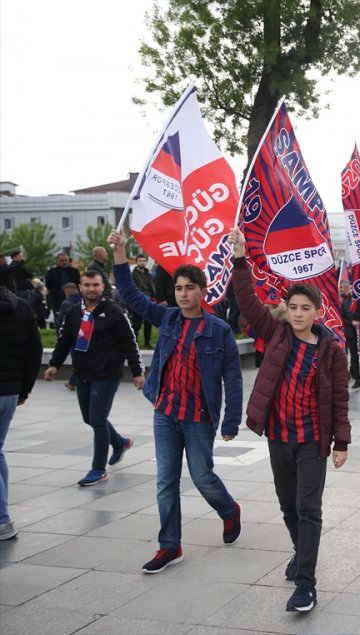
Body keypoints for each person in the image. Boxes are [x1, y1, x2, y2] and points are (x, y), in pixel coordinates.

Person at [108, 229, 243, 574]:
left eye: (190, 288)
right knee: (165, 481)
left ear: (202, 291)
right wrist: (120, 253)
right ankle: (170, 545)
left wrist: (231, 421)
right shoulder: (167, 318)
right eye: (179, 288)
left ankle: (229, 510)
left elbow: (233, 377)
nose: (183, 293)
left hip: (199, 417)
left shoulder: (218, 330)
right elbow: (130, 294)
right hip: (165, 413)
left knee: (202, 477)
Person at [229, 229, 350, 613]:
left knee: (308, 508)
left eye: (305, 308)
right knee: (287, 506)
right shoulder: (276, 333)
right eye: (293, 306)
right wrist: (240, 258)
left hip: (313, 441)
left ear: (317, 313)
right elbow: (247, 302)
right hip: (279, 438)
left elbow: (341, 399)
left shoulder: (331, 350)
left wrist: (342, 442)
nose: (297, 313)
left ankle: (306, 584)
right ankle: (301, 552)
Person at [44, 269, 144, 486]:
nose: (91, 289)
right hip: (82, 373)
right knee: (89, 418)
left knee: (97, 420)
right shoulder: (74, 311)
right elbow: (64, 340)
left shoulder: (115, 312)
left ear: (102, 287)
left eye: (95, 285)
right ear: (80, 287)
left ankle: (98, 469)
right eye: (87, 285)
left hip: (107, 374)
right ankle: (120, 442)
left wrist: (137, 372)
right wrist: (54, 365)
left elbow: (129, 342)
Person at [0, 284, 43, 541]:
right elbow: (35, 351)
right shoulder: (22, 306)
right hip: (9, 393)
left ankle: (3, 521)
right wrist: (23, 390)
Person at [45, 252, 80, 322]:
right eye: (62, 260)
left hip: (74, 300)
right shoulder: (52, 272)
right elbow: (48, 284)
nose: (64, 262)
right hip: (57, 300)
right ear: (57, 261)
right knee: (59, 319)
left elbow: (78, 283)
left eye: (66, 260)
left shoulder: (74, 271)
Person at [130, 255, 156, 348]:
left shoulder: (148, 274)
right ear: (136, 262)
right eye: (140, 261)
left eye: (144, 261)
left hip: (148, 300)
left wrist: (153, 297)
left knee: (148, 323)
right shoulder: (133, 275)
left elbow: (152, 287)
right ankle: (134, 342)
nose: (142, 262)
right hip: (138, 301)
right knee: (136, 324)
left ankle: (147, 343)